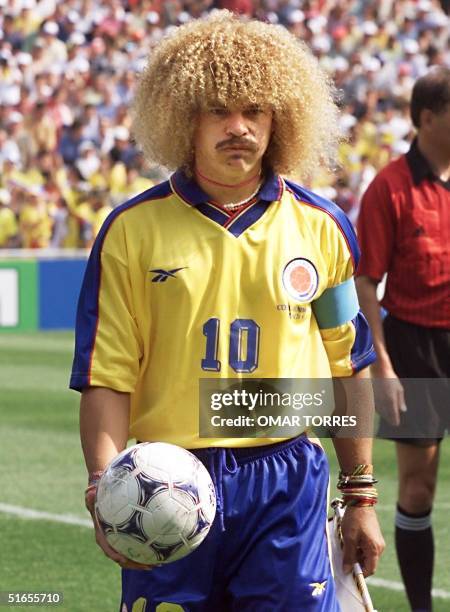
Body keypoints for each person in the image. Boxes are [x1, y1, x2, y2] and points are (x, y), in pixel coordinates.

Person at [70, 11, 384, 611]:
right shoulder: (130, 231)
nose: (238, 127)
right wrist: (104, 489)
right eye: (218, 109)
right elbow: (107, 376)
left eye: (255, 111)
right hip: (165, 481)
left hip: (285, 481)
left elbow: (350, 365)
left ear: (281, 119)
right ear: (182, 116)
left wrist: (361, 495)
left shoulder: (323, 229)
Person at [356, 66, 450, 612]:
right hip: (415, 344)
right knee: (418, 488)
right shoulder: (390, 187)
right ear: (427, 118)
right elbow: (367, 281)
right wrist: (383, 367)